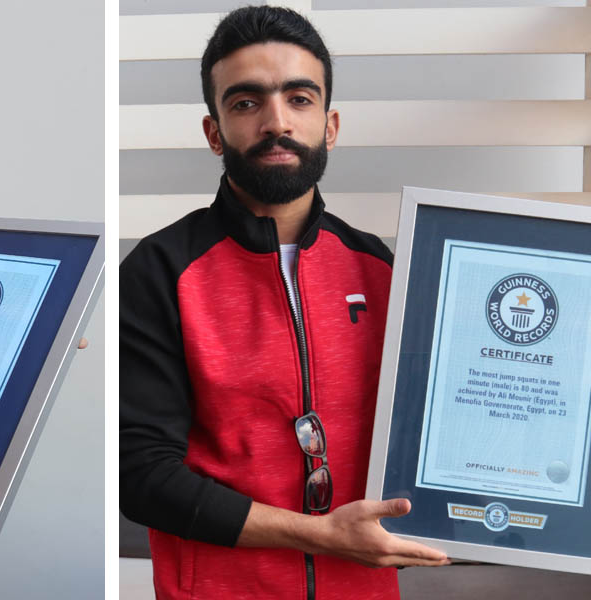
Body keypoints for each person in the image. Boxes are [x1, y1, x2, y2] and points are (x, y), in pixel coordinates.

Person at [119, 7, 449, 599]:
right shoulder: (160, 270)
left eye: (299, 98)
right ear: (214, 131)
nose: (277, 121)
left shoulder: (380, 268)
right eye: (246, 103)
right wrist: (319, 535)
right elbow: (142, 477)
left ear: (330, 124)